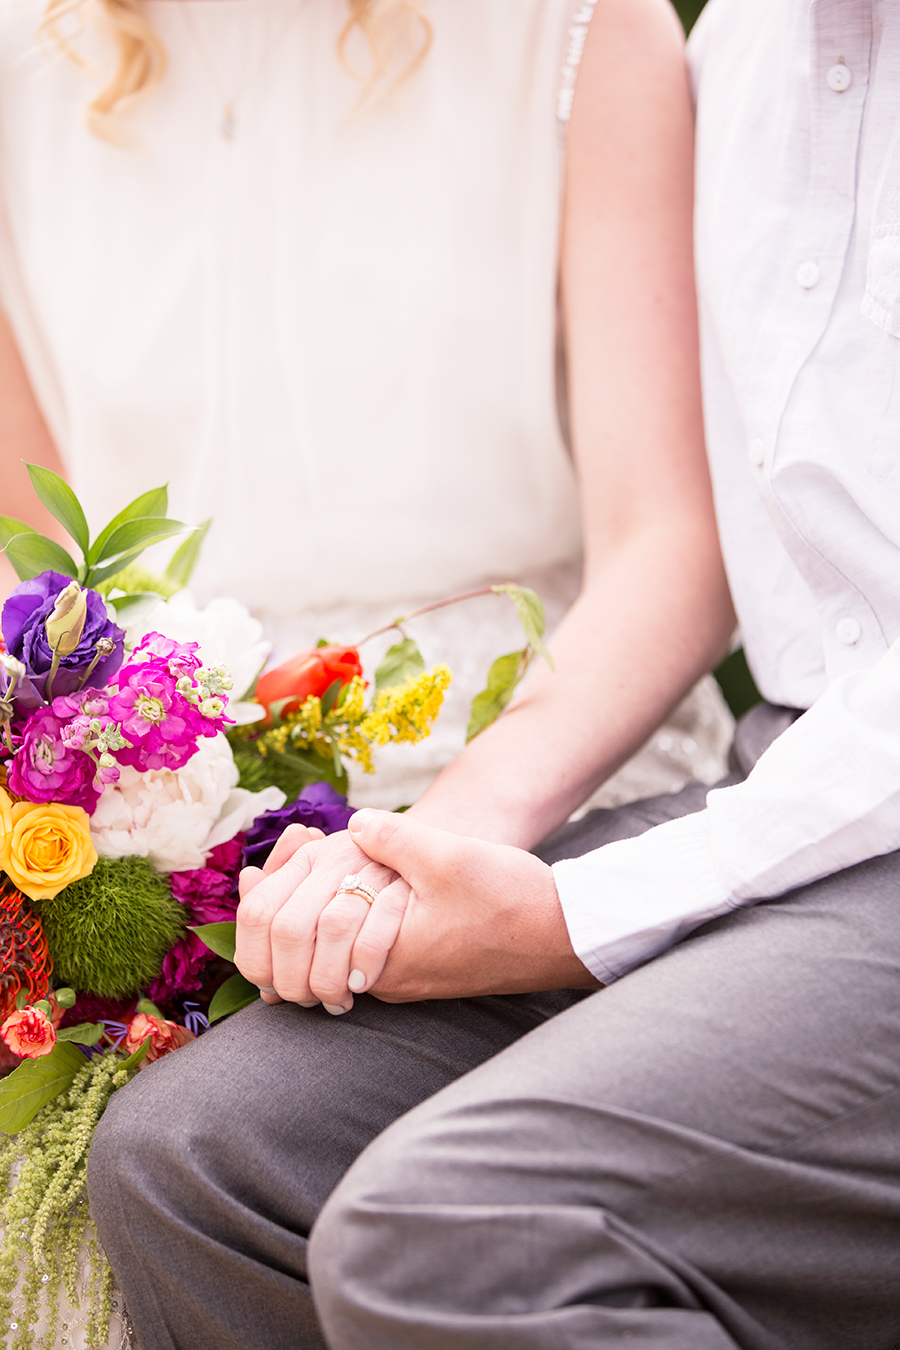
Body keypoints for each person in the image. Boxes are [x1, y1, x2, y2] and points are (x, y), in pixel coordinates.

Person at [87, 0, 900, 1346]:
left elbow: (678, 551)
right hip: (801, 781)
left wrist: (574, 910)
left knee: (446, 1234)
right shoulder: (753, 49)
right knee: (194, 1161)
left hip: (847, 828)